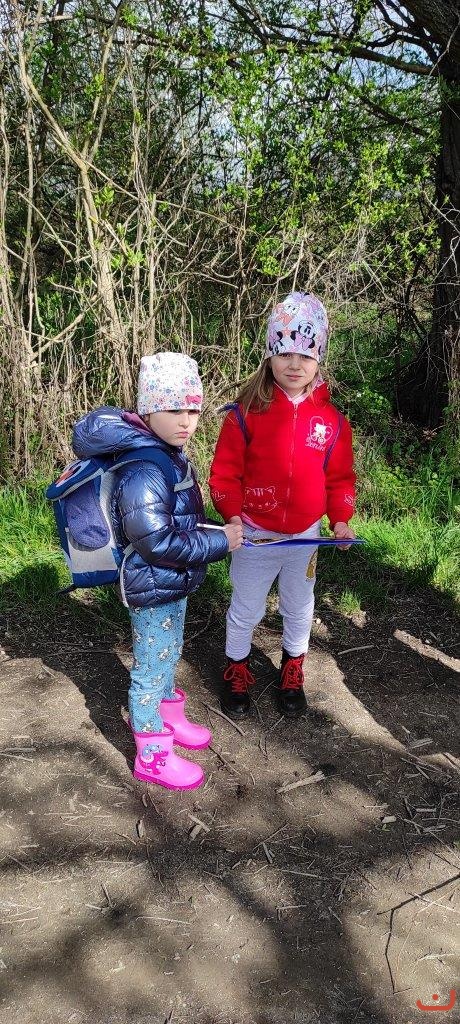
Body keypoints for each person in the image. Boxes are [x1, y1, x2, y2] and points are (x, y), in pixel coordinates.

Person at [73, 352, 243, 790]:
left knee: (169, 652)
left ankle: (170, 718)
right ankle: (152, 753)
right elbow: (156, 541)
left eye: (193, 410)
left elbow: (180, 521)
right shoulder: (146, 467)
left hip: (170, 579)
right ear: (148, 411)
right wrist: (220, 543)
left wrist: (215, 533)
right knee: (150, 668)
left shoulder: (168, 453)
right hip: (150, 583)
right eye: (173, 410)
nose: (186, 421)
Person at [209, 292, 356, 721]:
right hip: (255, 534)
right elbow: (224, 476)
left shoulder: (332, 422)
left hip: (305, 536)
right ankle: (237, 670)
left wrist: (341, 520)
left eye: (306, 355)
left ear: (319, 358)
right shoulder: (244, 414)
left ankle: (293, 670)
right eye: (285, 352)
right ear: (270, 355)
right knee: (247, 606)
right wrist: (232, 517)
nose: (295, 364)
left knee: (299, 604)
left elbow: (340, 479)